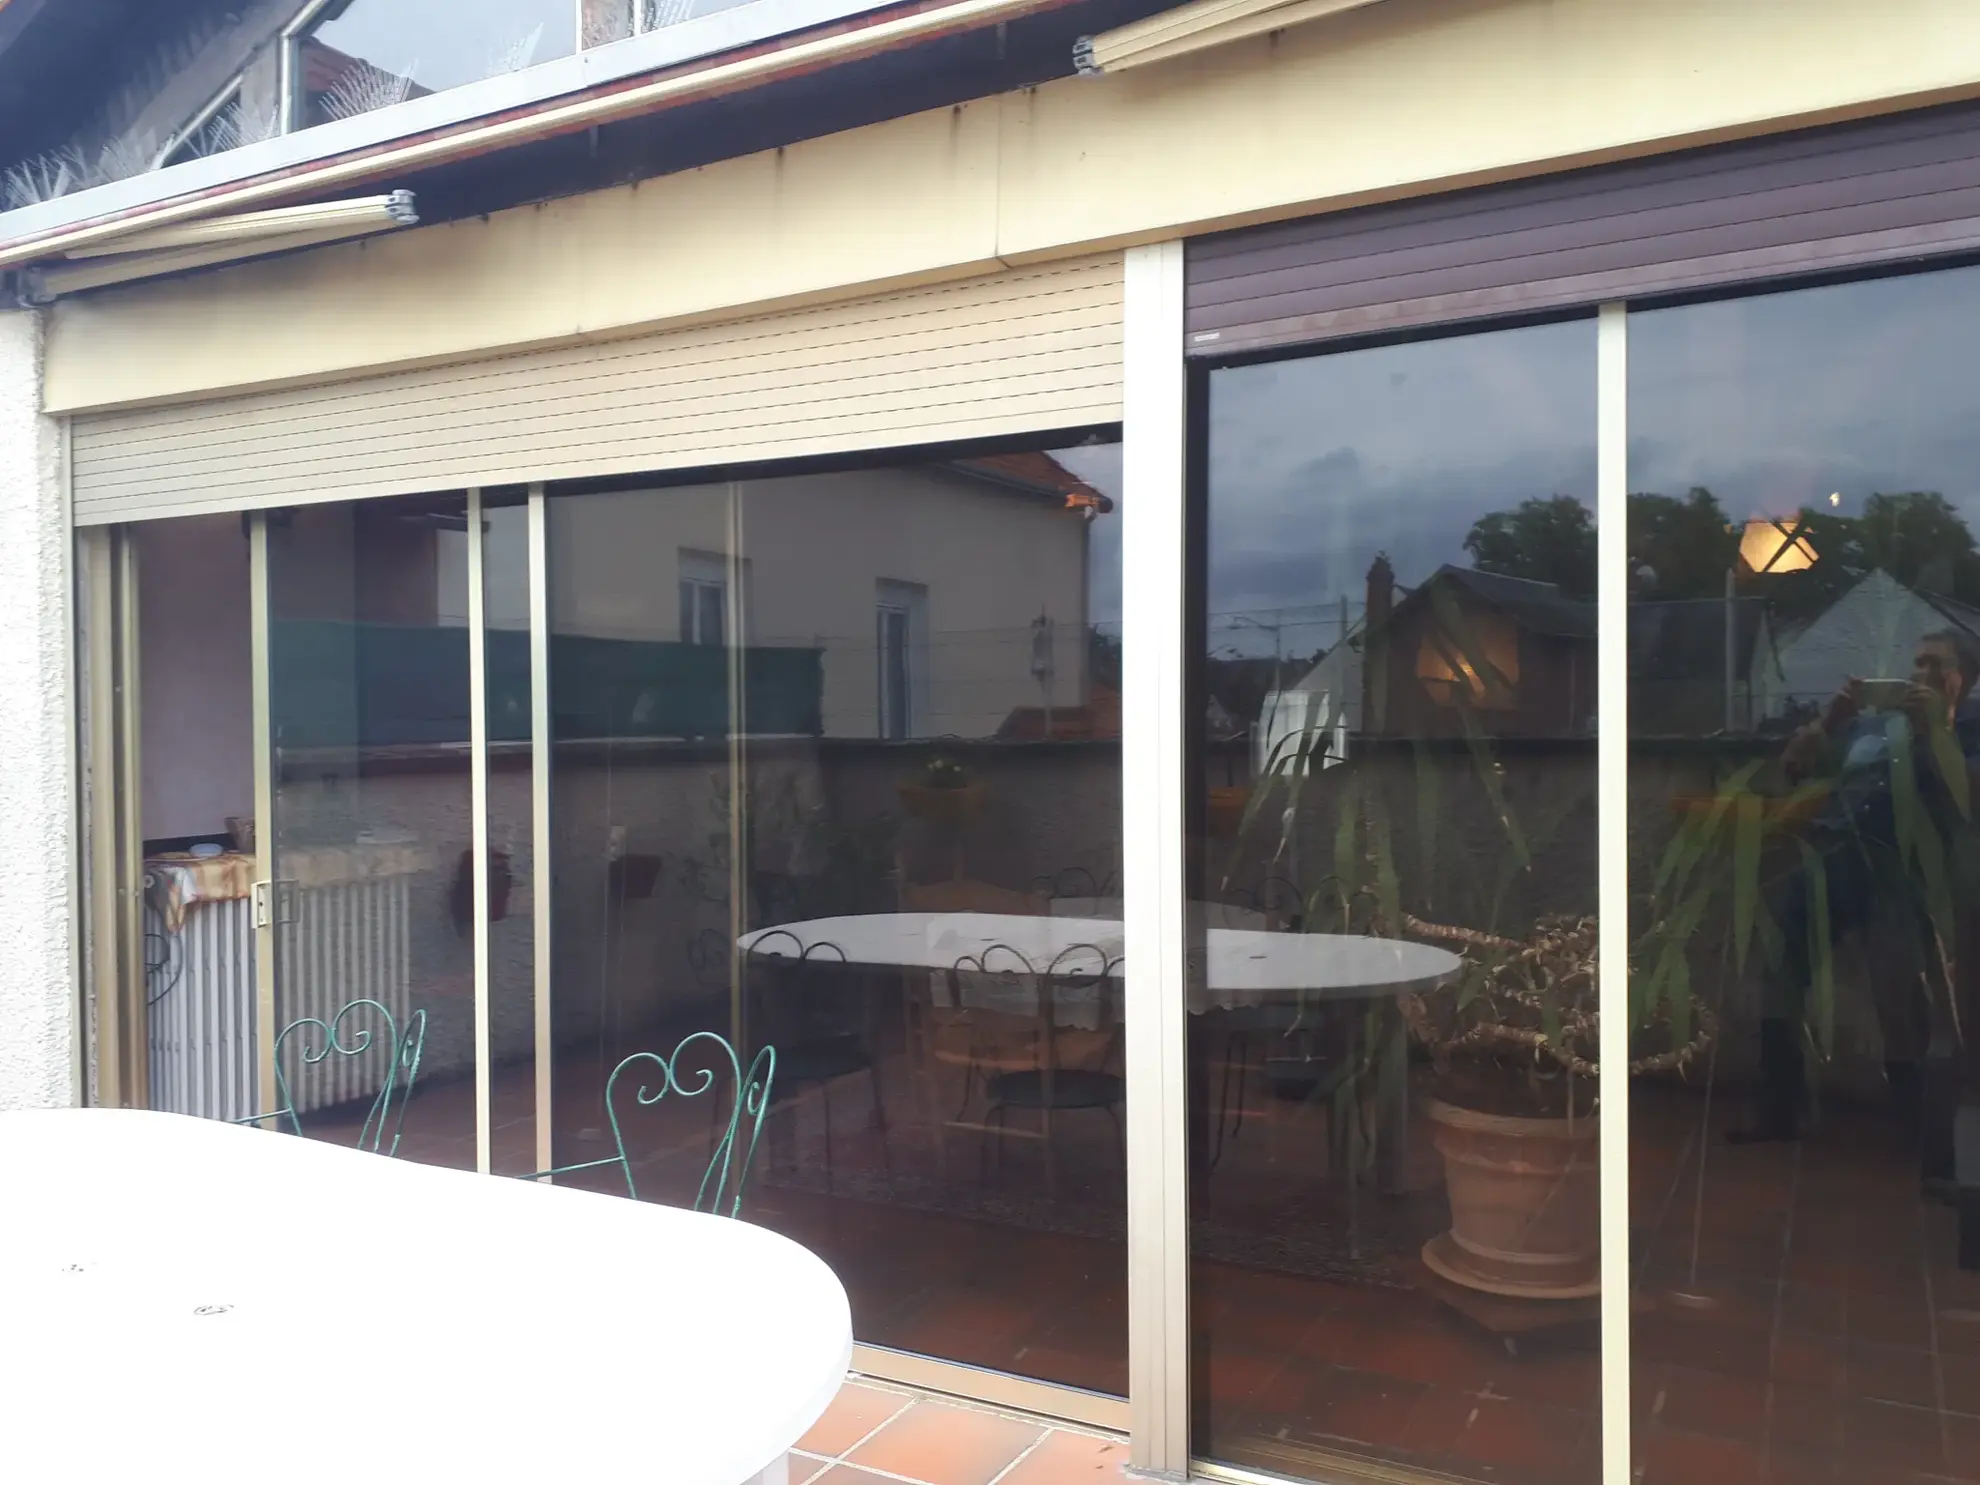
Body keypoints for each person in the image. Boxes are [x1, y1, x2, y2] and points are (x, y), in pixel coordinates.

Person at [1730, 628, 1980, 1154]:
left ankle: (1918, 1133)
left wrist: (1942, 726)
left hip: (1901, 871)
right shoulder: (1872, 726)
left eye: (1939, 667)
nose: (1924, 676)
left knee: (1898, 996)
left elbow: (1966, 799)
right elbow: (1794, 766)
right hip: (1832, 858)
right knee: (1778, 966)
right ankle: (1780, 1109)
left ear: (1966, 677)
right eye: (1918, 664)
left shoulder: (1972, 730)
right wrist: (1833, 719)